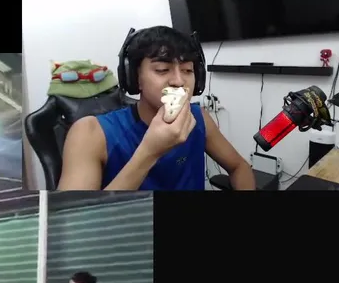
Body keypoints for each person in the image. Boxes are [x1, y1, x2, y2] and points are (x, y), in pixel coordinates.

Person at [57, 25, 254, 191]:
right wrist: (150, 152)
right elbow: (74, 217)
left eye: (187, 70)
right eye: (162, 70)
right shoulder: (90, 133)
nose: (179, 81)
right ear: (135, 78)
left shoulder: (199, 117)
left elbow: (240, 167)